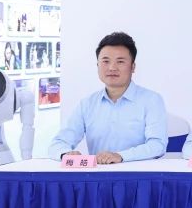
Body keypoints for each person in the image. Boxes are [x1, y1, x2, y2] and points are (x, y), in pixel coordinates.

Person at [47, 31, 167, 164]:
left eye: (120, 61)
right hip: (98, 175)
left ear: (133, 67)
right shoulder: (87, 104)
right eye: (105, 61)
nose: (112, 67)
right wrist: (66, 154)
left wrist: (120, 156)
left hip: (138, 174)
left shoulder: (151, 100)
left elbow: (157, 146)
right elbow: (58, 143)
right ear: (97, 65)